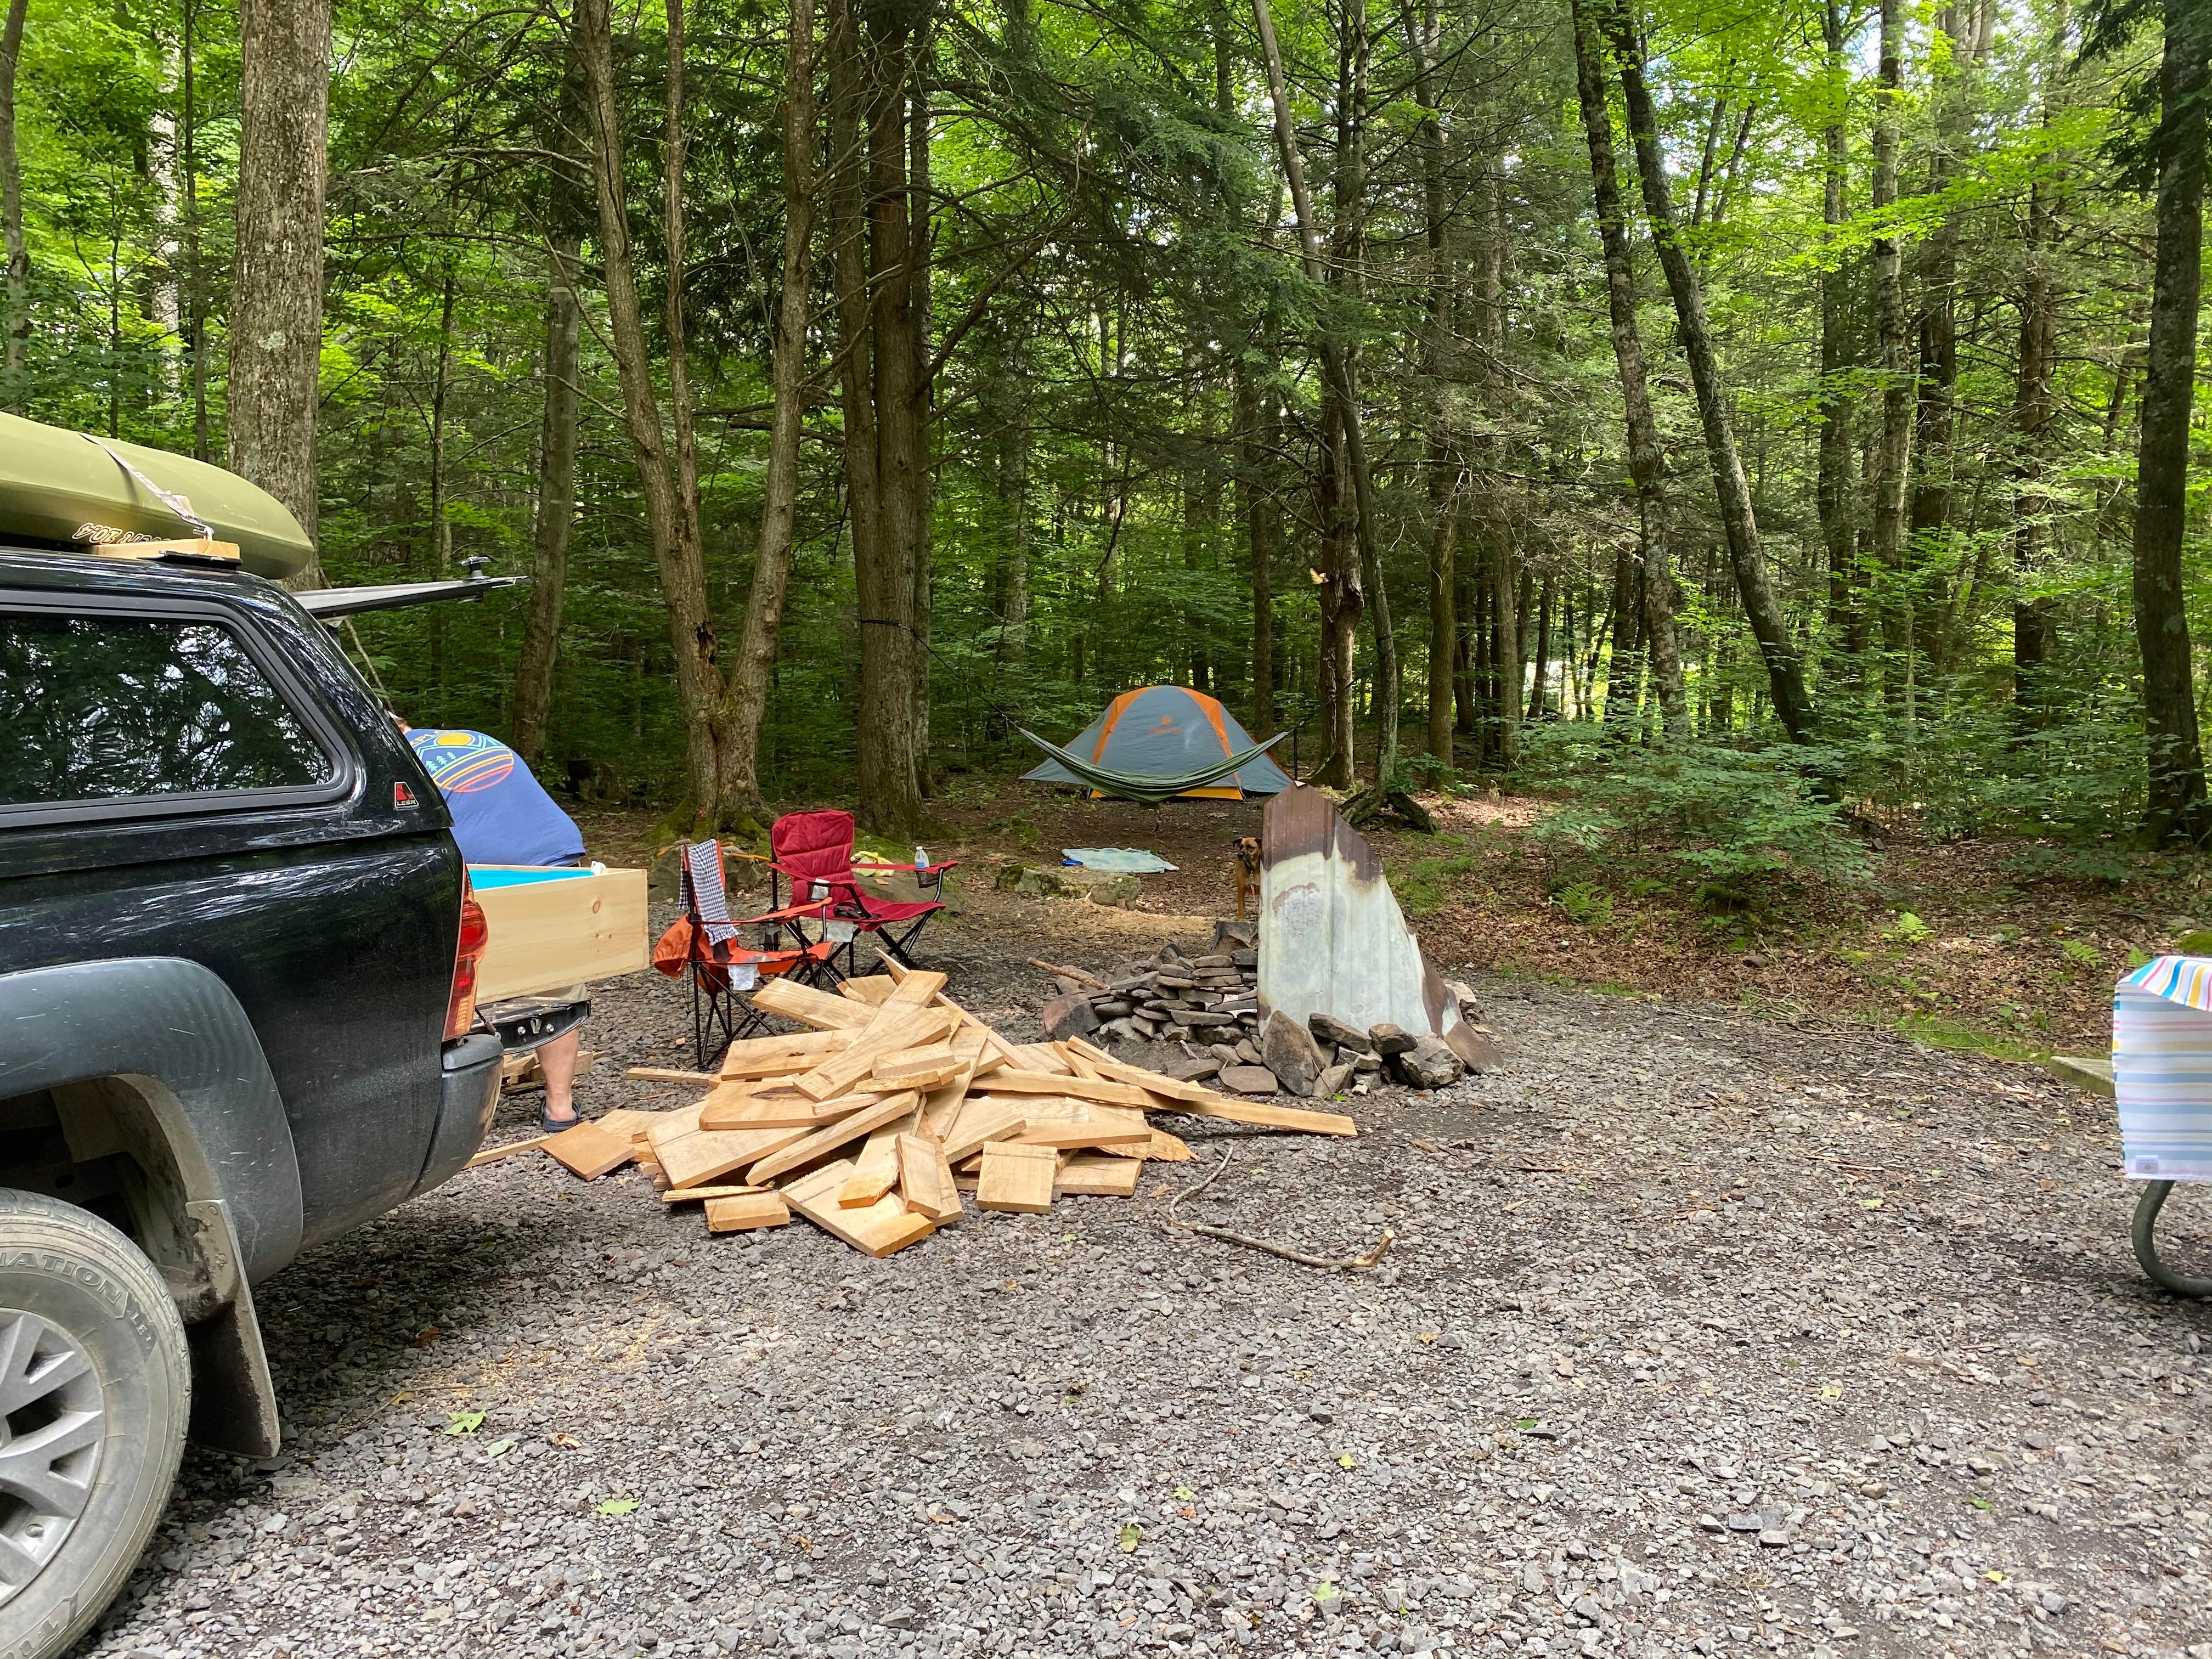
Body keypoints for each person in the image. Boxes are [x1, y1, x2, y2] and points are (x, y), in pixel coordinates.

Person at [397, 718, 589, 1130]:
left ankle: (456, 1113)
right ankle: (560, 1109)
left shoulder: (393, 761)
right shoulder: (473, 738)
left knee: (459, 975)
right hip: (555, 852)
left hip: (487, 866)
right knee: (559, 978)